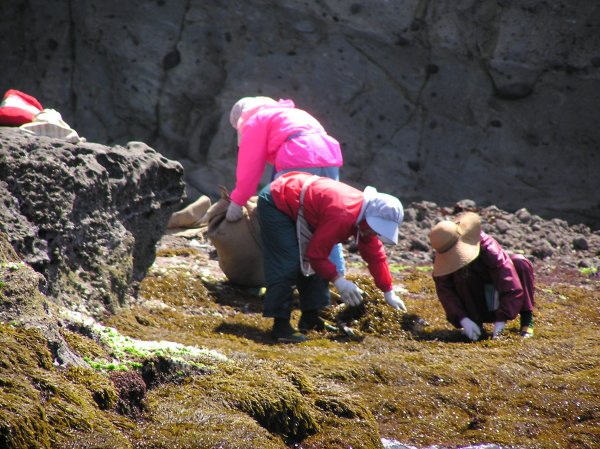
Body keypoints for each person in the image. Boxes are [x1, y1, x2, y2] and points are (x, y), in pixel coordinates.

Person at [257, 171, 407, 343]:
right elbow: (316, 255)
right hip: (278, 199)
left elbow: (375, 256)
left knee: (319, 263)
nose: (375, 233)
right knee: (287, 263)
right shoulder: (343, 215)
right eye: (376, 227)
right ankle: (281, 326)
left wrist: (388, 291)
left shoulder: (364, 222)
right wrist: (339, 281)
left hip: (304, 206)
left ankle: (310, 319)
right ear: (369, 216)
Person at [225, 96, 346, 275]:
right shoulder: (291, 114)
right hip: (329, 156)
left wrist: (237, 202)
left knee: (285, 220)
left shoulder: (255, 120)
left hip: (297, 157)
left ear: (241, 120)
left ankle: (289, 277)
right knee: (327, 216)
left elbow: (249, 167)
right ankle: (338, 274)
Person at [428, 212, 535, 341]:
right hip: (475, 301)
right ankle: (475, 323)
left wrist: (501, 321)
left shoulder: (487, 246)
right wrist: (463, 319)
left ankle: (527, 320)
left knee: (520, 263)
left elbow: (508, 280)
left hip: (497, 294)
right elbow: (445, 291)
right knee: (462, 275)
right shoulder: (444, 252)